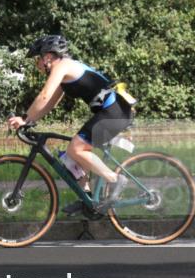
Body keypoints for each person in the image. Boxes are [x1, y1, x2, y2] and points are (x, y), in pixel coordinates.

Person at [7, 34, 133, 212]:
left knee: (76, 148)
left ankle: (115, 179)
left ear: (48, 57)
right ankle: (87, 199)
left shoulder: (63, 66)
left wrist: (24, 119)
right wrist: (30, 121)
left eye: (38, 59)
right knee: (69, 156)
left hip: (115, 112)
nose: (36, 64)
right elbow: (50, 103)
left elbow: (43, 95)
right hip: (110, 112)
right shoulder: (63, 72)